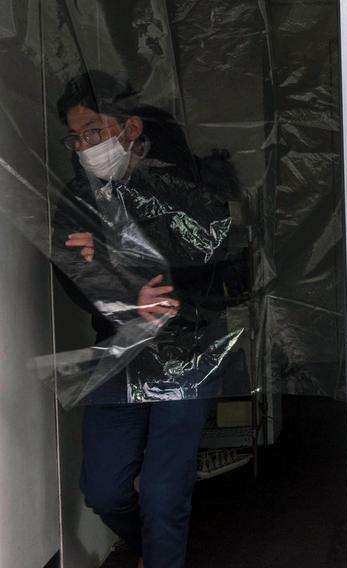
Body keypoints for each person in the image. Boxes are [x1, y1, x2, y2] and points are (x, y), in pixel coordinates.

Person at [52, 70, 236, 568]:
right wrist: (127, 292)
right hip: (118, 355)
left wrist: (113, 259)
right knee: (104, 491)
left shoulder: (186, 184)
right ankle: (151, 548)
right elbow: (72, 272)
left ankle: (161, 554)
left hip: (189, 352)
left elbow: (221, 256)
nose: (85, 147)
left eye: (94, 132)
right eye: (76, 137)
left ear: (129, 128)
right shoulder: (79, 200)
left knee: (161, 494)